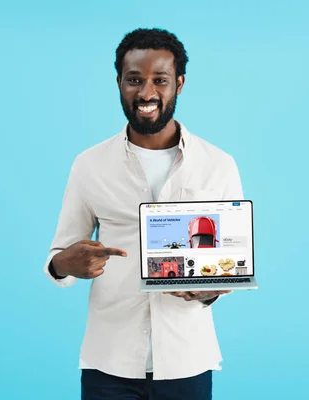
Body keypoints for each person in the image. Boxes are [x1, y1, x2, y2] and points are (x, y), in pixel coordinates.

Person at [43, 27, 244, 400]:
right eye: (134, 79)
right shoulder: (89, 165)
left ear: (179, 85)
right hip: (110, 360)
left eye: (160, 81)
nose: (147, 93)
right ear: (119, 82)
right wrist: (65, 265)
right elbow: (59, 259)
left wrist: (211, 291)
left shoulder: (218, 164)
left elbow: (228, 263)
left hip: (187, 358)